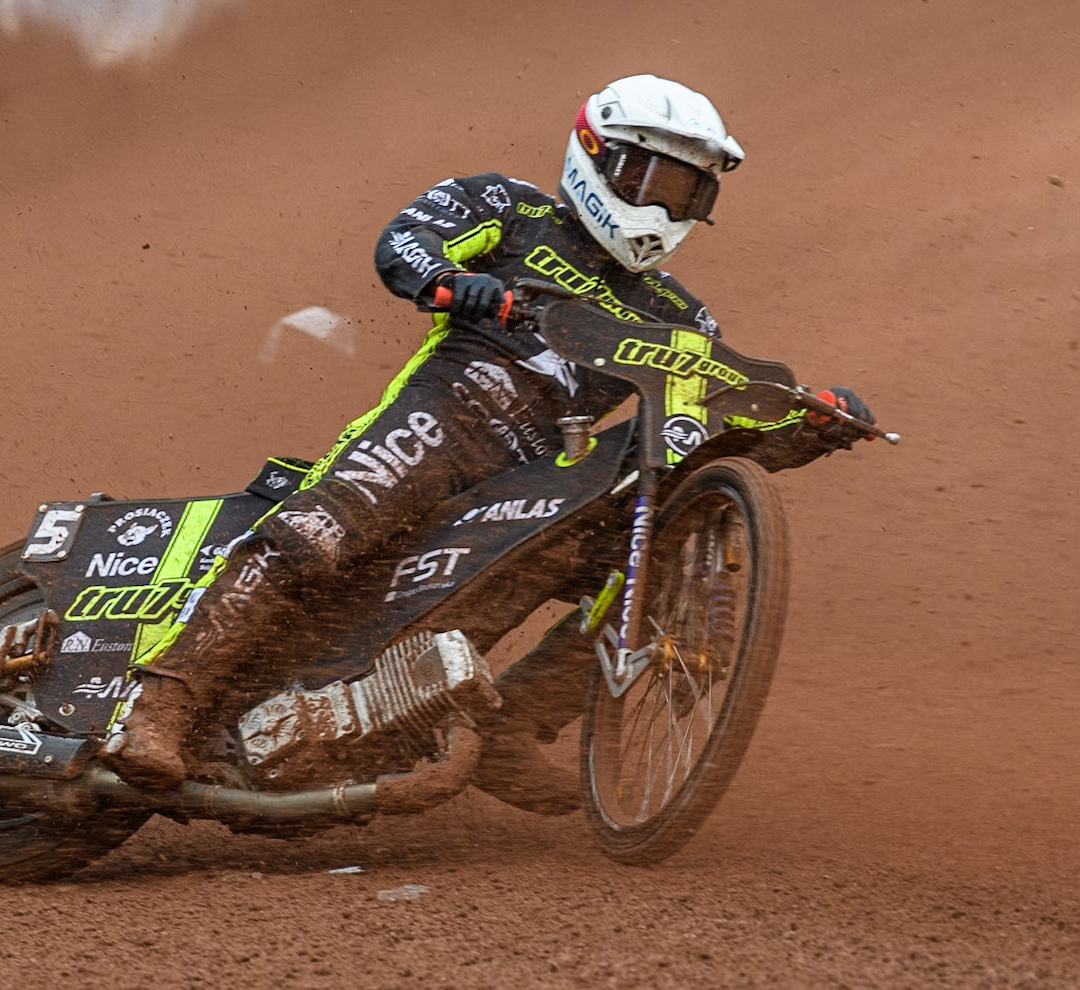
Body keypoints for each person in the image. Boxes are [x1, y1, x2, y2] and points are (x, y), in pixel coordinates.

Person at [99, 74, 875, 811]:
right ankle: (162, 702)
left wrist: (810, 424)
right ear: (596, 155)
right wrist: (450, 280)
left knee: (660, 565)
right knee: (325, 531)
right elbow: (403, 241)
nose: (663, 205)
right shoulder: (508, 206)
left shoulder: (683, 318)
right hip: (448, 415)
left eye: (685, 192)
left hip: (543, 472)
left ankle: (512, 725)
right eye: (650, 180)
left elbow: (710, 423)